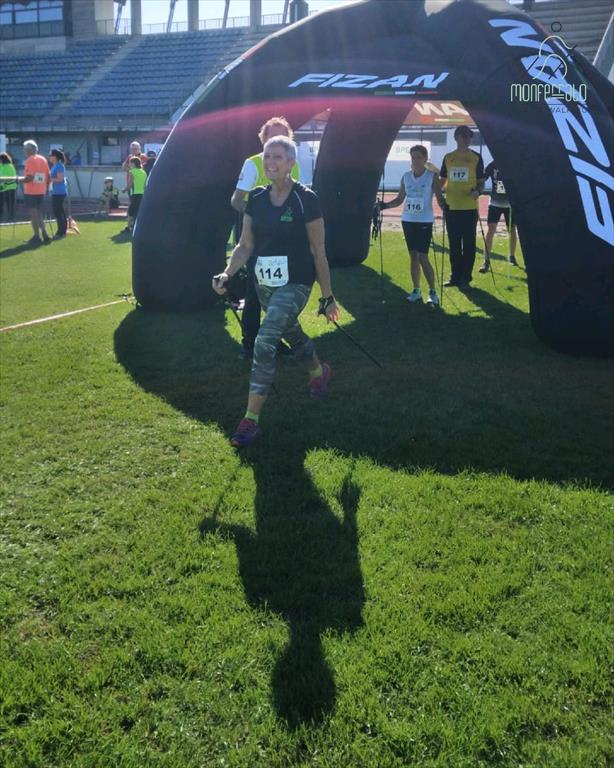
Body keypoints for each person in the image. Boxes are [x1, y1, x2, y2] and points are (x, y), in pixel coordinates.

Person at [213, 135, 338, 448]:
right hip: (265, 285)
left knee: (266, 339)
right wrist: (227, 273)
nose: (270, 163)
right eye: (267, 157)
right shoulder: (256, 199)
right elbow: (245, 245)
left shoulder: (306, 199)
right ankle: (318, 372)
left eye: (278, 157)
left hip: (297, 282)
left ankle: (250, 421)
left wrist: (327, 296)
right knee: (291, 332)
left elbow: (318, 250)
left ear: (291, 163)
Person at [230, 116, 300, 359]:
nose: (278, 139)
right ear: (263, 139)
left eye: (283, 135)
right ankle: (249, 344)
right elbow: (236, 200)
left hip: (284, 242)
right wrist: (260, 217)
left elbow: (300, 200)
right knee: (254, 293)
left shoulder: (293, 163)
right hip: (256, 240)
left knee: (280, 293)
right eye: (273, 135)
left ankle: (274, 339)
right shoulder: (253, 164)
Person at [377, 144, 447, 305]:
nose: (415, 160)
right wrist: (384, 206)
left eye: (419, 157)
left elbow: (439, 198)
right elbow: (400, 199)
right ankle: (416, 290)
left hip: (424, 221)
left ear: (425, 159)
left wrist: (445, 206)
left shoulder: (431, 177)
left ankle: (432, 292)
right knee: (413, 256)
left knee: (423, 256)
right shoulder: (406, 177)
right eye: (413, 157)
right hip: (408, 220)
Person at [439, 125, 485, 287]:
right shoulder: (448, 157)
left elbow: (481, 182)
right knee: (454, 244)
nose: (466, 139)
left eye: (469, 137)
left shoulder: (476, 157)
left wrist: (478, 192)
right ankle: (455, 276)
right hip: (451, 207)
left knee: (469, 245)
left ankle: (466, 277)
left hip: (469, 208)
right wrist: (438, 196)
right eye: (463, 136)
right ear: (456, 138)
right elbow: (442, 181)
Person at [479, 159, 518, 272]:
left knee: (512, 229)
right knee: (491, 229)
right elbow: (483, 178)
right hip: (495, 203)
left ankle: (512, 256)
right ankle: (486, 261)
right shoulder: (492, 165)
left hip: (509, 204)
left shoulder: (512, 163)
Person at [21, 139, 51, 245]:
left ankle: (36, 236)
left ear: (30, 149)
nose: (24, 151)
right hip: (41, 190)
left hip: (31, 191)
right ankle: (44, 233)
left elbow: (29, 177)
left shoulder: (29, 160)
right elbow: (47, 175)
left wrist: (20, 180)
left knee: (33, 214)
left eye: (25, 149)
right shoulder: (43, 159)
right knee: (38, 213)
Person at [123, 157, 146, 233]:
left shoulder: (132, 171)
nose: (129, 164)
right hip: (143, 194)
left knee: (131, 212)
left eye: (130, 162)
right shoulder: (143, 172)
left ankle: (128, 228)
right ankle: (137, 227)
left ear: (133, 163)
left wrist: (124, 190)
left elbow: (129, 185)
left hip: (135, 194)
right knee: (138, 211)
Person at [48, 149, 68, 239]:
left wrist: (49, 179)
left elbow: (60, 179)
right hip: (56, 191)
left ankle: (60, 232)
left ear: (55, 157)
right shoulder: (55, 166)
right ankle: (62, 231)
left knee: (58, 212)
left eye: (50, 155)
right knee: (60, 211)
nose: (49, 157)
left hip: (59, 192)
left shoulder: (59, 166)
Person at [0, 152, 17, 222]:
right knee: (1, 204)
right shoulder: (1, 166)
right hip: (2, 188)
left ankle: (11, 219)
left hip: (10, 188)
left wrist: (3, 185)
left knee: (10, 205)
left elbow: (9, 178)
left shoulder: (10, 166)